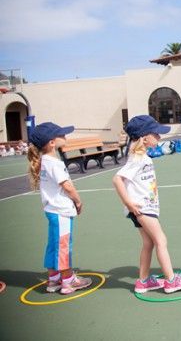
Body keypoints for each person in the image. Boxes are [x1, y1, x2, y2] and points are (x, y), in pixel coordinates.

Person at [113, 115, 181, 294]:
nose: (159, 137)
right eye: (156, 134)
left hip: (143, 207)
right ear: (144, 137)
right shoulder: (137, 158)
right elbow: (117, 179)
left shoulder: (142, 156)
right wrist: (129, 203)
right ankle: (171, 280)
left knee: (148, 243)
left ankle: (143, 281)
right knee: (161, 240)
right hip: (142, 208)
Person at [27, 122, 92, 295]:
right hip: (61, 211)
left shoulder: (45, 161)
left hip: (52, 210)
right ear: (51, 142)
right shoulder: (54, 162)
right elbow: (67, 186)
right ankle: (68, 282)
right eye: (61, 135)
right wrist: (78, 201)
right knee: (63, 246)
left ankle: (54, 279)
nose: (65, 137)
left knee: (54, 245)